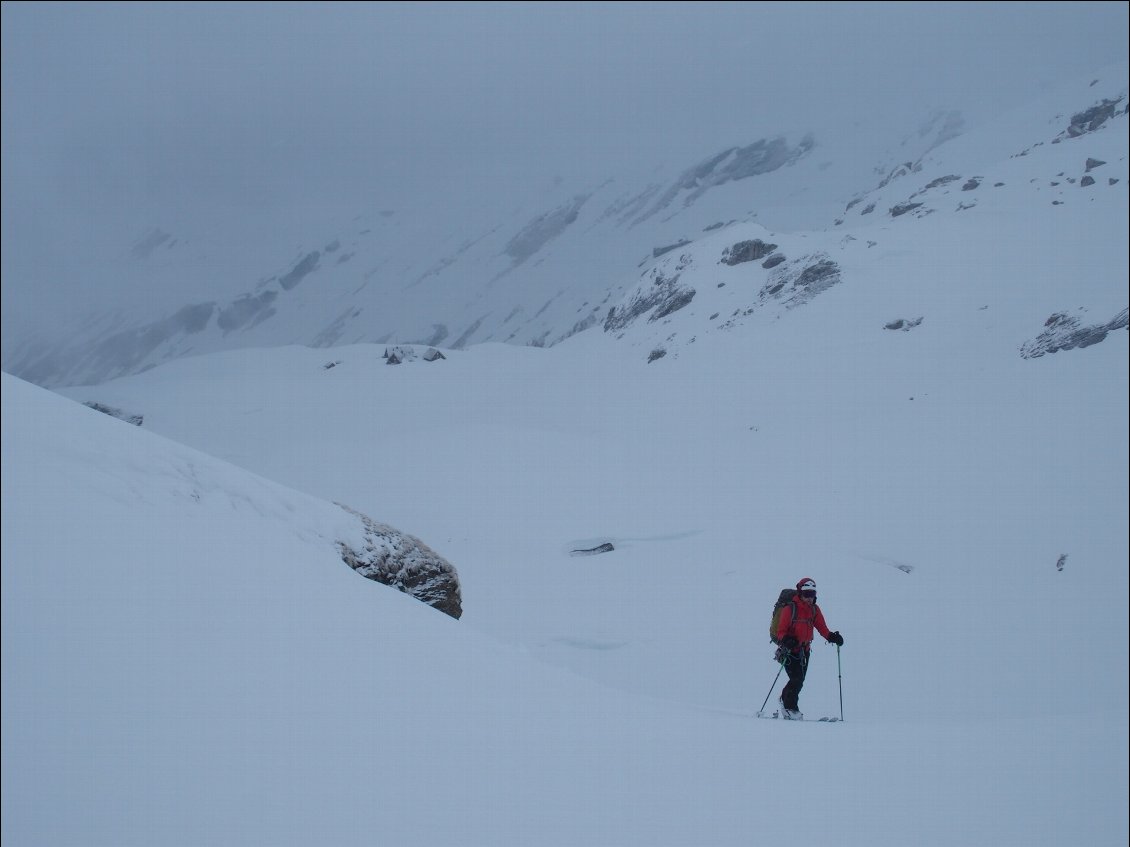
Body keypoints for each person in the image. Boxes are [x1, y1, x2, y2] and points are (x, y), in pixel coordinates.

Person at [775, 577, 843, 719]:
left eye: (812, 594)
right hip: (789, 651)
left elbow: (822, 628)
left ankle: (784, 700)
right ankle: (790, 707)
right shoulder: (790, 609)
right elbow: (780, 631)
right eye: (807, 594)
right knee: (797, 679)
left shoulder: (814, 610)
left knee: (799, 680)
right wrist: (787, 640)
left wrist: (832, 637)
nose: (809, 598)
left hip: (805, 651)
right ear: (800, 593)